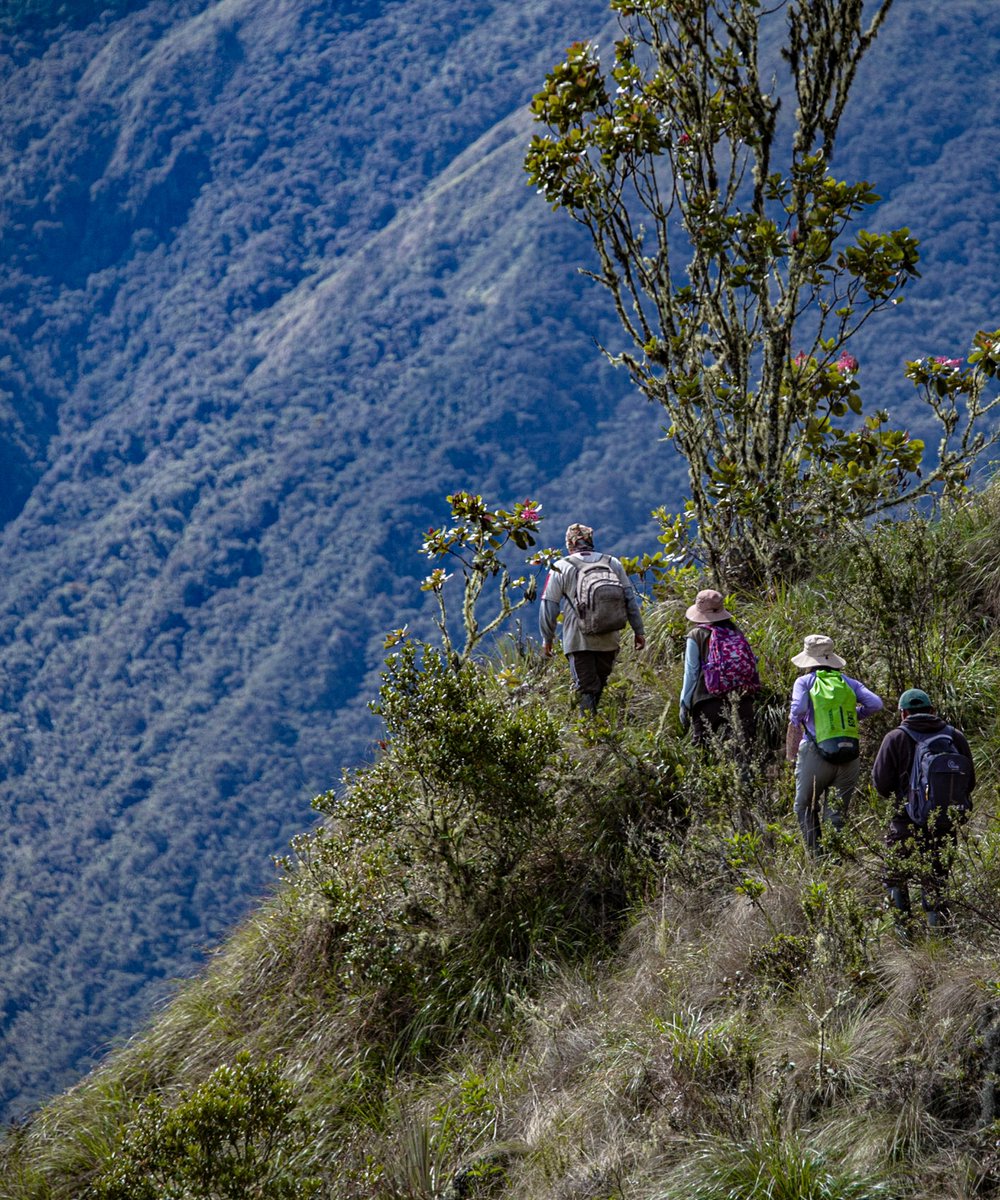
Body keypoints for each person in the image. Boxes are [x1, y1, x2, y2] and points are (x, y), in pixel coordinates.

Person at [871, 688, 975, 930]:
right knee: (937, 876)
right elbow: (969, 782)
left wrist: (905, 800)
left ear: (903, 713)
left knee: (895, 875)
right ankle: (939, 933)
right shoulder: (955, 736)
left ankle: (905, 934)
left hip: (903, 821)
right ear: (932, 711)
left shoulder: (894, 738)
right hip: (944, 820)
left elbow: (881, 784)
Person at [786, 634, 883, 854]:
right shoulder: (849, 682)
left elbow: (799, 710)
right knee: (836, 814)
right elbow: (876, 704)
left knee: (804, 806)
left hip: (815, 753)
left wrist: (797, 720)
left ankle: (817, 857)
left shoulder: (805, 681)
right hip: (850, 755)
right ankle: (835, 858)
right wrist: (852, 715)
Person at [539, 522, 646, 713]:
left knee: (586, 689)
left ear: (569, 544)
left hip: (578, 640)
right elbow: (629, 598)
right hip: (609, 637)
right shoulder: (613, 563)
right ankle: (596, 732)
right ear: (591, 540)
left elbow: (549, 605)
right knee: (599, 685)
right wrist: (639, 630)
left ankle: (588, 734)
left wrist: (548, 637)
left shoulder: (561, 566)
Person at [679, 589, 759, 751]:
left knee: (703, 752)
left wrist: (684, 703)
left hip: (706, 700)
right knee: (744, 752)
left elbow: (691, 673)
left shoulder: (696, 635)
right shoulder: (735, 632)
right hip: (741, 698)